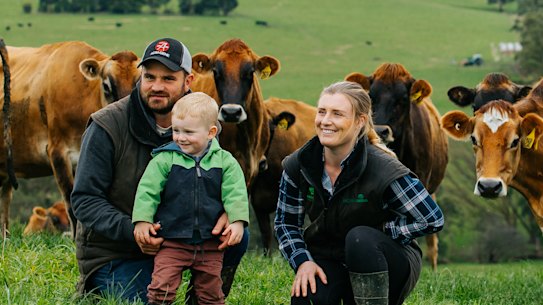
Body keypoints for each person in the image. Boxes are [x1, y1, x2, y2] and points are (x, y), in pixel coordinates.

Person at [71, 37, 249, 303]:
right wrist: (133, 230)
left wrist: (228, 211)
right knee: (143, 299)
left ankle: (204, 296)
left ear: (187, 82)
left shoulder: (203, 123)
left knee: (238, 233)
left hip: (185, 239)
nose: (156, 86)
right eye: (149, 76)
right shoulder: (107, 126)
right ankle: (101, 283)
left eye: (168, 78)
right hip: (119, 250)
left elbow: (218, 179)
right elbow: (84, 199)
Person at [274, 81, 444, 305]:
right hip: (330, 257)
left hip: (386, 261)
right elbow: (285, 223)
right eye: (322, 112)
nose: (326, 121)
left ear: (359, 121)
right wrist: (302, 261)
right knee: (308, 298)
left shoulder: (383, 168)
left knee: (360, 238)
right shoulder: (300, 164)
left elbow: (432, 218)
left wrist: (386, 230)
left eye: (337, 114)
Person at [132, 92, 249, 304]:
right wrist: (142, 220)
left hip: (210, 244)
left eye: (188, 132)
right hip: (172, 240)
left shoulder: (225, 162)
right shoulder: (165, 159)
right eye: (176, 130)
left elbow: (236, 193)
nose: (180, 137)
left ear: (211, 132)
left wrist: (237, 221)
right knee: (161, 288)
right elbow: (147, 190)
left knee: (211, 293)